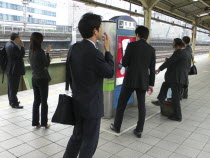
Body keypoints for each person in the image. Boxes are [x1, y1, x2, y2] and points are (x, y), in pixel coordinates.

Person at [63, 13, 114, 158]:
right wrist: (108, 50)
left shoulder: (73, 48)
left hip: (77, 102)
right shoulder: (95, 53)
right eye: (100, 27)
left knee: (77, 137)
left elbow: (70, 74)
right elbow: (109, 71)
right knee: (90, 141)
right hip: (92, 106)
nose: (102, 29)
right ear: (95, 31)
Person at [110, 26, 156, 138]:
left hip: (130, 80)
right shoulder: (151, 49)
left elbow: (124, 63)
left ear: (137, 35)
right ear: (147, 36)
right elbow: (152, 69)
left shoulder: (131, 45)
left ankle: (117, 126)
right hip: (143, 81)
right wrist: (151, 84)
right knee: (141, 106)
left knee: (122, 103)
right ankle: (139, 130)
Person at [152, 38, 189, 122]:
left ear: (177, 44)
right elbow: (175, 62)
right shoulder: (185, 52)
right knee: (165, 84)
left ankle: (178, 116)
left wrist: (159, 69)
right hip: (178, 78)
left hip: (176, 79)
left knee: (175, 98)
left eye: (173, 43)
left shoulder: (178, 52)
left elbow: (170, 62)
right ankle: (160, 100)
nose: (172, 44)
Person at [29, 32, 51, 128]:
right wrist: (48, 53)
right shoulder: (40, 51)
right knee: (44, 101)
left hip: (34, 78)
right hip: (42, 79)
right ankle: (44, 123)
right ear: (39, 40)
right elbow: (46, 64)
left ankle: (35, 122)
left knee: (36, 101)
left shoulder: (30, 51)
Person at [5, 33, 25, 109]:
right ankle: (14, 103)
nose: (20, 39)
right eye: (19, 37)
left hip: (10, 69)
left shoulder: (8, 44)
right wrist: (22, 46)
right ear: (16, 38)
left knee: (10, 87)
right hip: (14, 70)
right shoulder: (13, 46)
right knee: (14, 87)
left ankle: (12, 101)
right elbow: (21, 56)